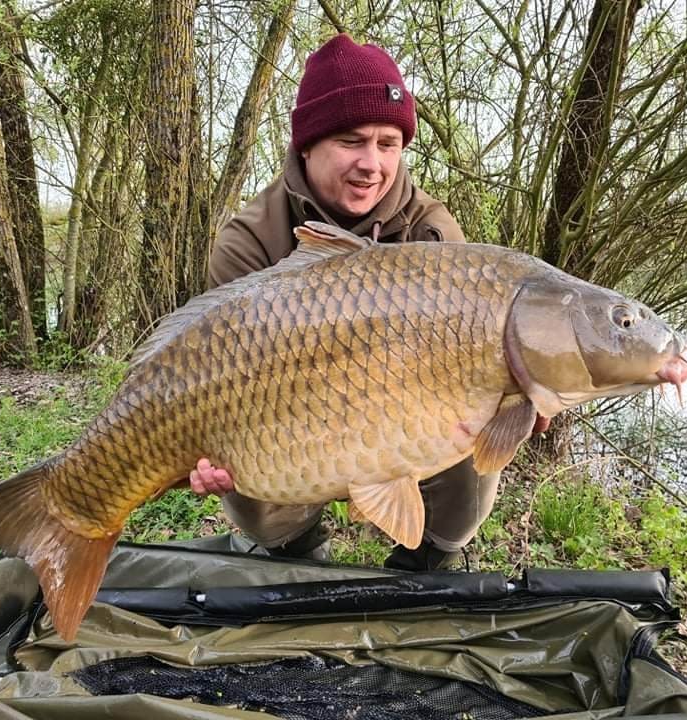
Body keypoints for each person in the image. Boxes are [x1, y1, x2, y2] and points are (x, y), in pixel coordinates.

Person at [189, 33, 502, 571]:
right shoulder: (250, 240)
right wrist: (199, 445)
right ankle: (298, 551)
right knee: (241, 463)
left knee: (478, 440)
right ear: (307, 143)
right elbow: (214, 372)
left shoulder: (431, 232)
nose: (372, 164)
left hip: (406, 407)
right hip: (289, 413)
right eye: (351, 141)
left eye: (388, 144)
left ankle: (429, 560)